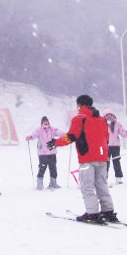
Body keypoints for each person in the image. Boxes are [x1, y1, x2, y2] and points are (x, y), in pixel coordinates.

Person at [47, 95, 117, 223]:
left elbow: (71, 136)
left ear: (79, 105)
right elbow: (106, 137)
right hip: (102, 158)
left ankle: (92, 213)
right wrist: (100, 151)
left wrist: (55, 143)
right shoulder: (101, 119)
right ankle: (108, 211)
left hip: (86, 159)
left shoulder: (79, 118)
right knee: (102, 184)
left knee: (87, 187)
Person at [25, 116, 64, 190]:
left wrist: (67, 135)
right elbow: (34, 135)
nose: (46, 123)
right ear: (42, 122)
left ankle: (53, 183)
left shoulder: (52, 129)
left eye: (47, 121)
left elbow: (59, 132)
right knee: (42, 168)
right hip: (43, 153)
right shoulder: (39, 130)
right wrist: (30, 137)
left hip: (52, 152)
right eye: (44, 121)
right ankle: (39, 184)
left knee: (53, 168)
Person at [104, 109, 127, 186]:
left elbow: (122, 132)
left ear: (113, 116)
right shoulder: (103, 124)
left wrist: (126, 134)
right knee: (106, 163)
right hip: (106, 146)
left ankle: (118, 178)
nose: (109, 117)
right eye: (107, 115)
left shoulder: (117, 124)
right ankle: (104, 179)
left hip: (116, 146)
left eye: (111, 115)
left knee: (116, 162)